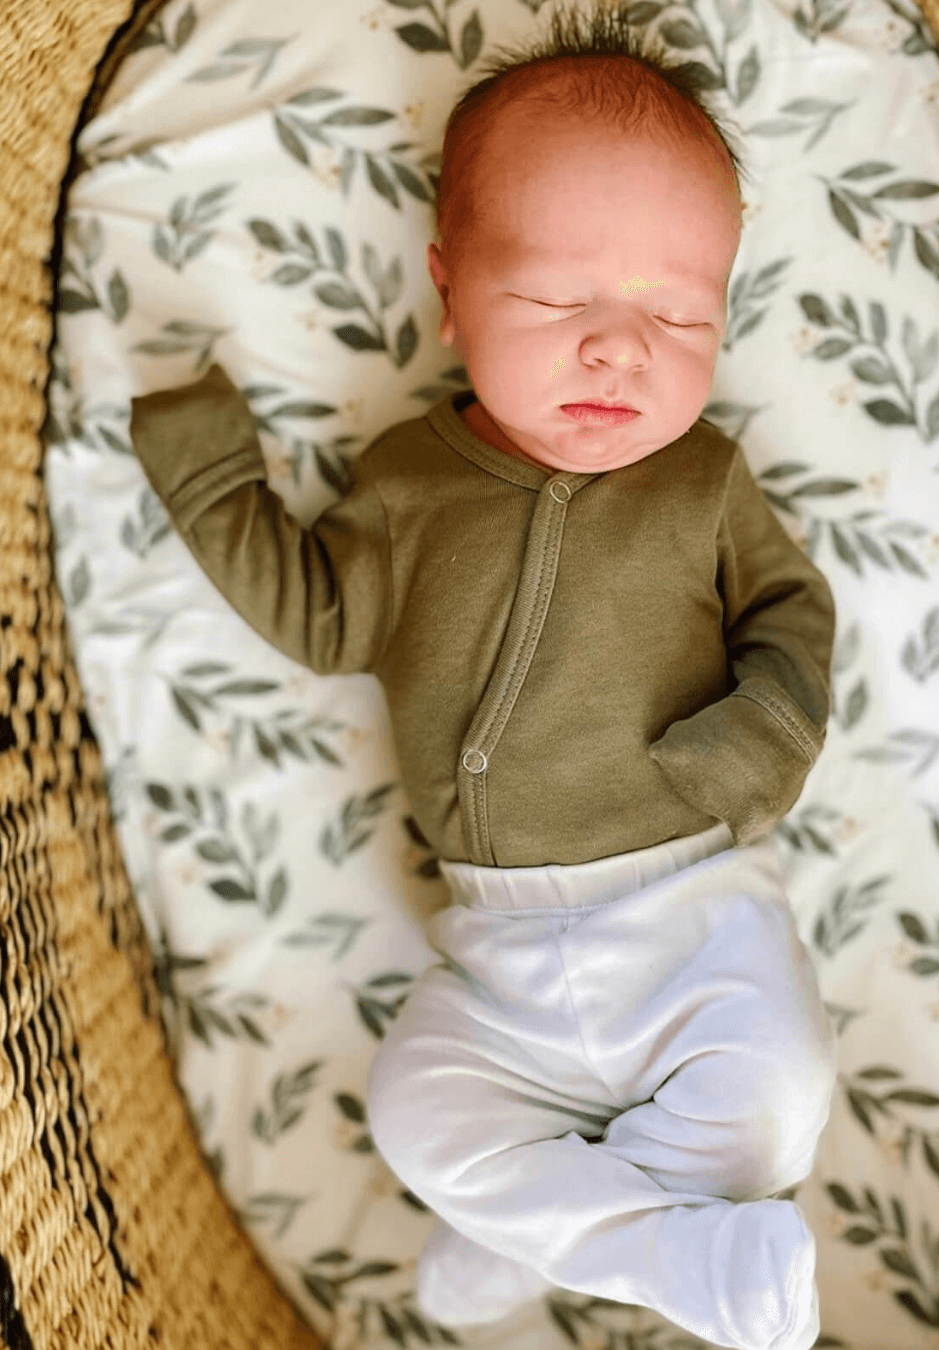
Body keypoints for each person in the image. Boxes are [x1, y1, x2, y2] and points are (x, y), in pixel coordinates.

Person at [128, 4, 838, 1345]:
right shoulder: (408, 485)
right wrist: (215, 474)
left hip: (693, 913)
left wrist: (751, 750)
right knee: (416, 1111)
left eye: (680, 313)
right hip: (497, 955)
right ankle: (649, 1249)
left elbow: (796, 618)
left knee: (776, 1099)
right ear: (449, 289)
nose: (621, 346)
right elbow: (323, 616)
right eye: (561, 298)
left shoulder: (702, 483)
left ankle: (559, 1230)